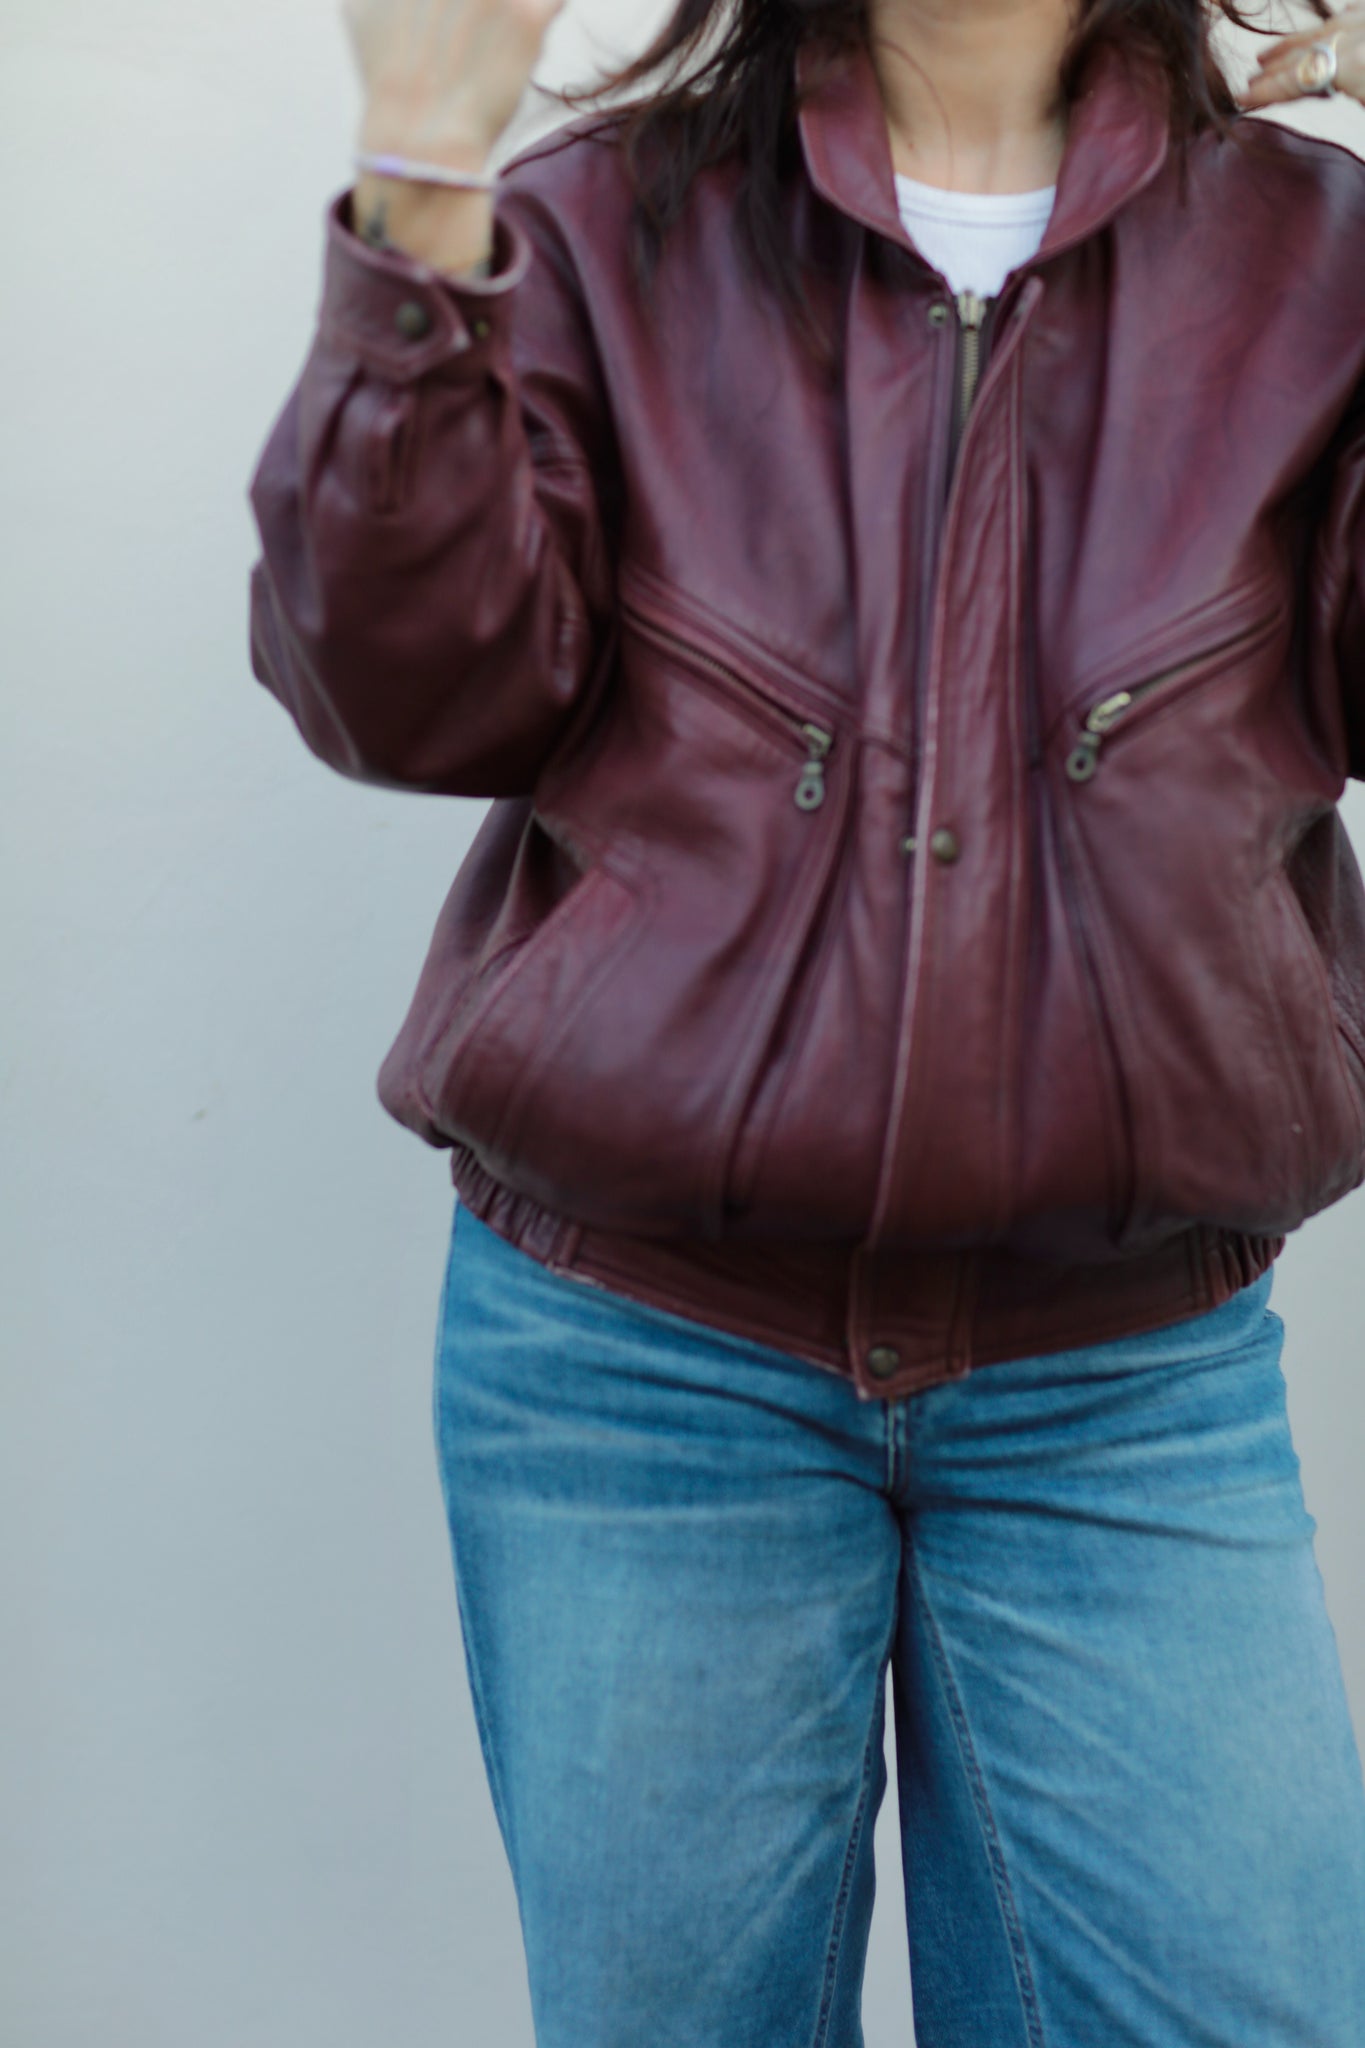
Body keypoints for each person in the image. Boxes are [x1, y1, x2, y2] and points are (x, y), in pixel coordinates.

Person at [246, 0, 1365, 2037]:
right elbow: (402, 695)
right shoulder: (591, 227)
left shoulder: (1316, 254)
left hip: (1130, 1376)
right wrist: (418, 181)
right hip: (637, 1367)